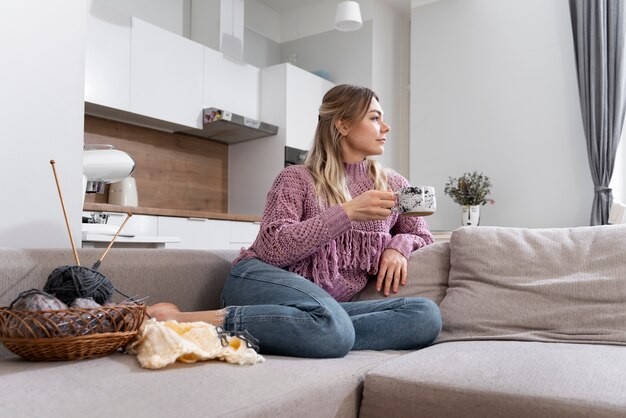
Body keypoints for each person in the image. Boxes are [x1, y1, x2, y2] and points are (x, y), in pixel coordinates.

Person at [148, 84, 442, 358]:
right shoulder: (296, 179)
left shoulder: (391, 183)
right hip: (259, 280)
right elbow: (274, 247)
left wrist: (398, 245)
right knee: (333, 326)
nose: (386, 127)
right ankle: (183, 321)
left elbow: (421, 234)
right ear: (342, 123)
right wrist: (347, 212)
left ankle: (312, 328)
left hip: (323, 309)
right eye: (375, 118)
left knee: (426, 316)